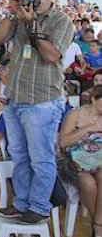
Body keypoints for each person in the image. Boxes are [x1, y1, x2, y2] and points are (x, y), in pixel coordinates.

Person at [0, 0, 75, 224]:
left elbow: (52, 55)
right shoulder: (20, 15)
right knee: (18, 155)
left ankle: (39, 206)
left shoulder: (62, 21)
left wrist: (33, 26)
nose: (35, 1)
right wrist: (13, 12)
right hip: (15, 97)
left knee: (40, 157)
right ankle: (21, 203)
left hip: (42, 101)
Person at [58, 85, 102, 237]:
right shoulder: (75, 114)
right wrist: (87, 129)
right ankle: (97, 225)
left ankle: (98, 225)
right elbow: (63, 142)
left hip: (98, 161)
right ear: (94, 99)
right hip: (73, 161)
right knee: (88, 183)